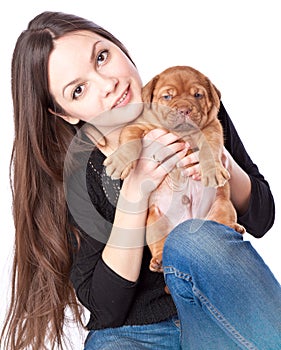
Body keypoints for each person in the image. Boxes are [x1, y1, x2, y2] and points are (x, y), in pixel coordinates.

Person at [1, 10, 281, 350]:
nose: (108, 84)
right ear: (64, 113)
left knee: (191, 239)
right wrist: (135, 192)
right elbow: (106, 308)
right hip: (137, 333)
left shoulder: (192, 104)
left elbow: (262, 217)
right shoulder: (77, 178)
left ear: (118, 45)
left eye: (102, 57)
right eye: (78, 90)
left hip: (217, 312)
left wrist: (218, 160)